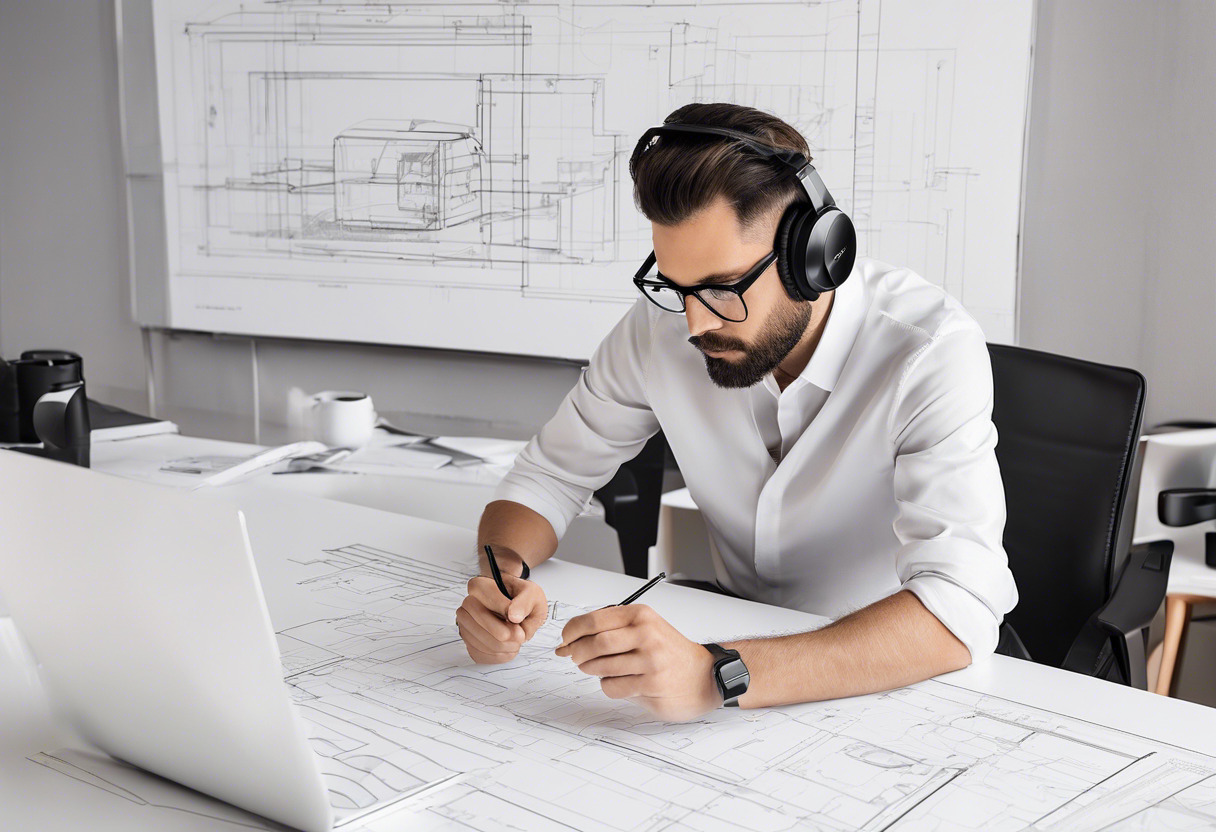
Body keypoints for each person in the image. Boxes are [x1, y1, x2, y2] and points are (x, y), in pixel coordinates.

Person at [454, 102, 1017, 722]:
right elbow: (548, 477)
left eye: (723, 289)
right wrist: (501, 576)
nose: (695, 323)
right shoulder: (664, 325)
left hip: (892, 677)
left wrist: (718, 673)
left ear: (814, 257)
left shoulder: (928, 352)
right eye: (675, 286)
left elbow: (957, 606)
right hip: (730, 657)